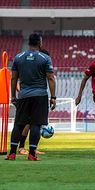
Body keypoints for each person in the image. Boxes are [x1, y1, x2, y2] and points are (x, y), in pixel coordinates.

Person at [5, 33, 56, 161]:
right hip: (40, 95)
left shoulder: (18, 57)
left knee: (19, 124)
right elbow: (50, 78)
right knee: (36, 125)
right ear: (40, 43)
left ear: (29, 43)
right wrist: (53, 97)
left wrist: (13, 96)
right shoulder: (45, 58)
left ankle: (12, 153)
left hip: (23, 95)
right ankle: (32, 154)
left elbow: (13, 78)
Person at [17, 48, 50, 155]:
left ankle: (33, 148)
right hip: (26, 98)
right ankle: (21, 147)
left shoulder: (39, 68)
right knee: (26, 124)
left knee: (37, 124)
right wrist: (21, 92)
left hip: (37, 97)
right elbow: (17, 80)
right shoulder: (28, 66)